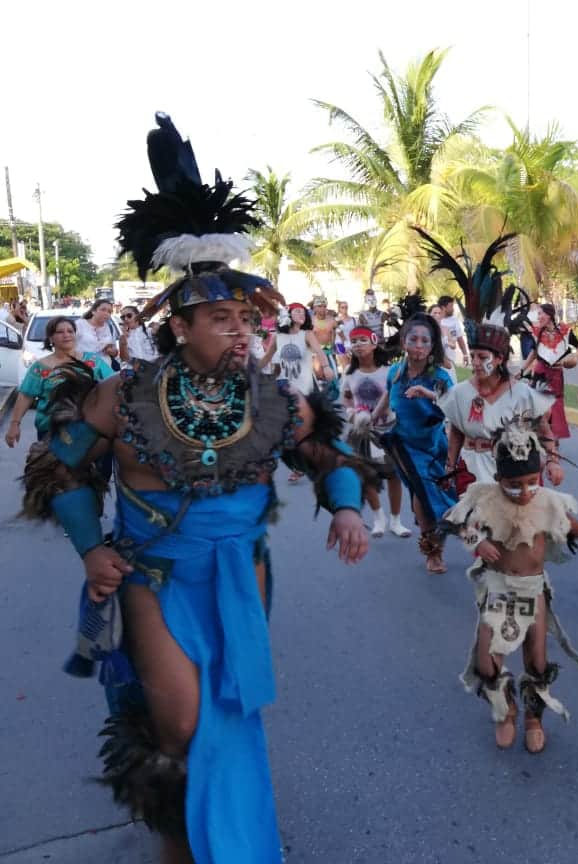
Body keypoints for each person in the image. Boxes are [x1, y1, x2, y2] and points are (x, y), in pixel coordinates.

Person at [20, 112, 370, 864]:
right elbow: (61, 466)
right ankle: (182, 839)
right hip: (153, 574)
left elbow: (326, 451)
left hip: (242, 574)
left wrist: (346, 510)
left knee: (229, 711)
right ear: (181, 326)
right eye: (221, 318)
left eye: (244, 318)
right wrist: (89, 550)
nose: (240, 332)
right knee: (177, 723)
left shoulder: (274, 397)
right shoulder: (125, 394)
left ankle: (224, 836)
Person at [443, 419, 578, 752]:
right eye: (514, 484)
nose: (524, 492)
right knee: (486, 662)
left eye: (531, 482)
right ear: (497, 479)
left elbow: (575, 527)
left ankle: (533, 717)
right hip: (497, 586)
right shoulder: (486, 500)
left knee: (537, 660)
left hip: (532, 590)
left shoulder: (547, 501)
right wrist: (477, 544)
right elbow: (457, 524)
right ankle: (505, 707)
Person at [372, 313, 456, 572]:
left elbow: (453, 406)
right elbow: (388, 394)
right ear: (404, 342)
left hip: (434, 446)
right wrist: (373, 417)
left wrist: (426, 393)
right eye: (414, 340)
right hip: (405, 446)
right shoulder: (396, 372)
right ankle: (433, 552)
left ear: (432, 346)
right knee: (423, 492)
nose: (419, 346)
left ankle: (442, 535)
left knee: (437, 497)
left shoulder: (440, 376)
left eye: (425, 341)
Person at [439, 324, 562, 489]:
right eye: (473, 355)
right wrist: (450, 467)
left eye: (482, 357)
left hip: (516, 471)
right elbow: (456, 432)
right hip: (471, 470)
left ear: (499, 359)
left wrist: (552, 461)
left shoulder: (522, 393)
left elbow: (544, 430)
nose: (475, 362)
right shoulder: (460, 392)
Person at [341, 326, 412, 539]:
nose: (358, 345)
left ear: (374, 343)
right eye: (354, 341)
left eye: (363, 340)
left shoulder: (388, 370)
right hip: (361, 433)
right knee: (366, 475)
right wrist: (351, 412)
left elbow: (398, 395)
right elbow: (346, 396)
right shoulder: (350, 373)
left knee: (394, 475)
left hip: (388, 430)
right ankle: (378, 518)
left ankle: (396, 520)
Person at [6, 316, 114, 446]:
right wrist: (15, 424)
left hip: (91, 429)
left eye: (70, 331)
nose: (66, 335)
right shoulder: (40, 367)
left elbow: (112, 386)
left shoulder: (93, 361)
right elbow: (25, 396)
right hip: (51, 431)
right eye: (60, 332)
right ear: (51, 338)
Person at [521, 302, 578, 446]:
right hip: (540, 373)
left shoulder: (564, 331)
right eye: (538, 314)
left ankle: (554, 439)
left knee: (555, 406)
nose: (539, 316)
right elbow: (534, 354)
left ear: (549, 316)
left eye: (541, 313)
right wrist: (522, 371)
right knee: (538, 405)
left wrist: (575, 357)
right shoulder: (538, 332)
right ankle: (539, 437)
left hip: (556, 375)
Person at [76, 298, 120, 367]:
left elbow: (115, 352)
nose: (106, 313)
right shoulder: (79, 324)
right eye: (103, 310)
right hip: (83, 369)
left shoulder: (110, 327)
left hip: (105, 371)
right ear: (93, 311)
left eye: (109, 312)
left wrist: (112, 351)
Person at [437, 295, 470, 370]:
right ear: (443, 308)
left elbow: (460, 339)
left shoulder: (454, 321)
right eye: (451, 306)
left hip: (451, 361)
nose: (453, 309)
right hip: (437, 361)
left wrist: (465, 354)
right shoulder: (436, 320)